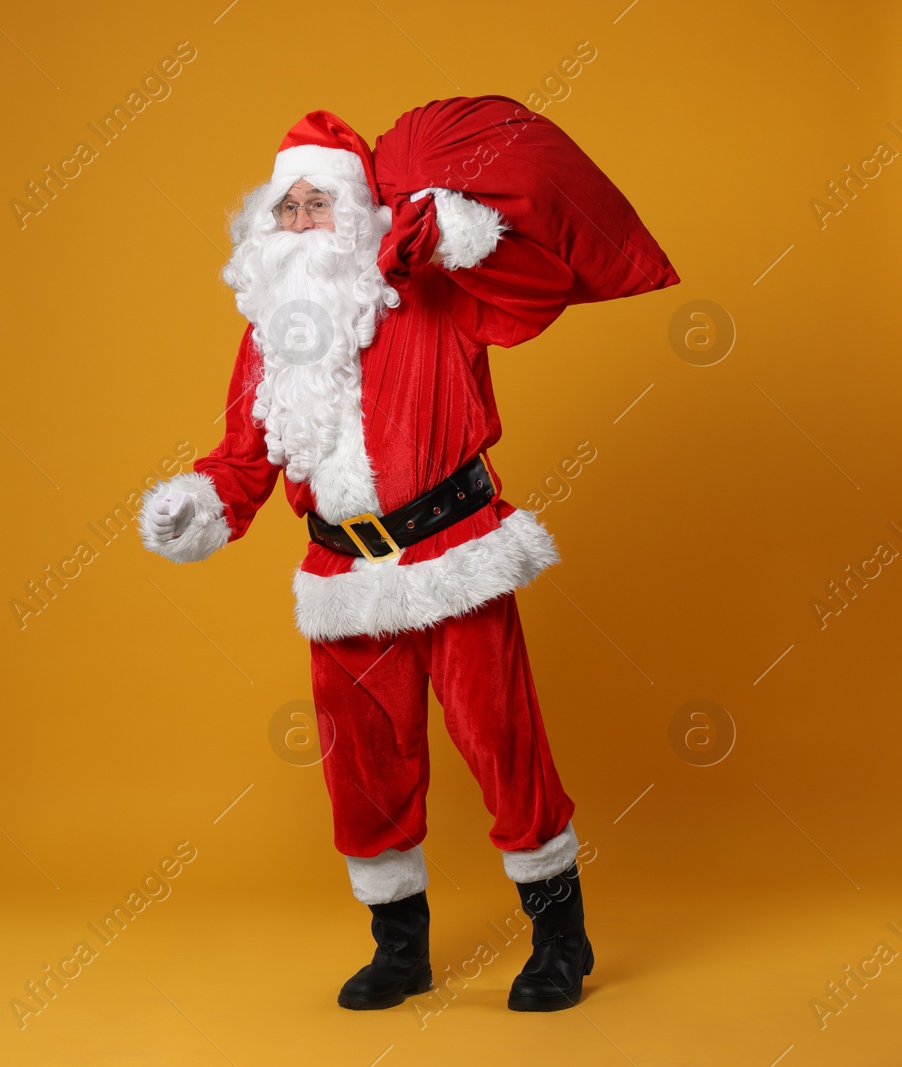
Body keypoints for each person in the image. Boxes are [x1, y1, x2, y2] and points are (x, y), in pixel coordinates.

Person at [137, 98, 680, 1013]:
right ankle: (400, 948)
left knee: (502, 744)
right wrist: (199, 506)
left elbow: (536, 288)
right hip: (342, 578)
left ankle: (561, 935)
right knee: (365, 764)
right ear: (266, 229)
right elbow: (244, 457)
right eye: (288, 208)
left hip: (454, 551)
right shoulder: (267, 335)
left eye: (320, 205)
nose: (302, 222)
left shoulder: (434, 287)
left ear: (359, 214)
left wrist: (464, 237)